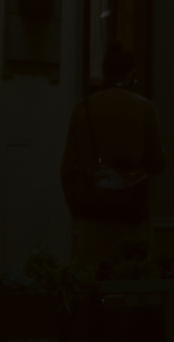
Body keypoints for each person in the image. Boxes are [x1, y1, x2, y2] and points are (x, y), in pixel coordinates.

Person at [60, 41, 166, 279]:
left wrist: (77, 213)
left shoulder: (83, 109)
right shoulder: (145, 109)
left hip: (91, 218)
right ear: (131, 76)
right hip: (132, 220)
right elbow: (157, 163)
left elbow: (68, 169)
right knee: (131, 286)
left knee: (91, 286)